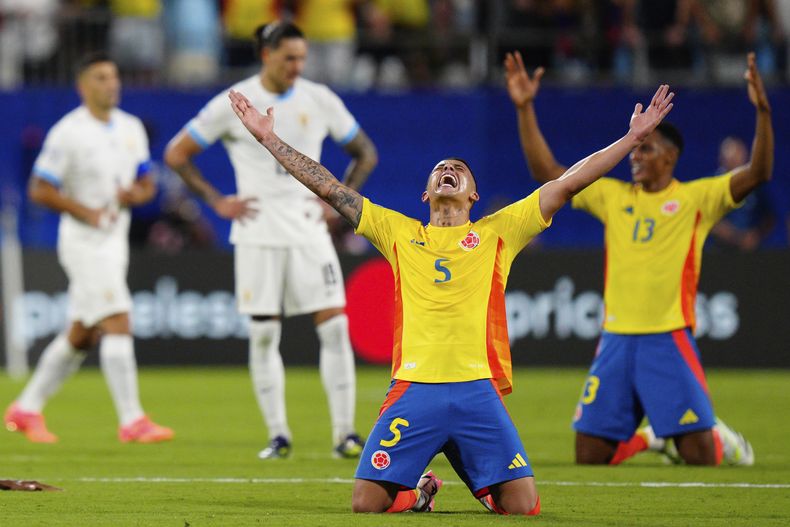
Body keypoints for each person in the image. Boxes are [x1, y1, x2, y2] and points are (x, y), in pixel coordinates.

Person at [227, 79, 674, 512]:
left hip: (476, 390)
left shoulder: (500, 232)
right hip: (413, 389)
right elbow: (328, 186)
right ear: (425, 193)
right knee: (366, 504)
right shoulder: (398, 232)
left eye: (459, 170)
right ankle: (420, 491)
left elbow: (569, 183)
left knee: (522, 507)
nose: (449, 170)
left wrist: (630, 138)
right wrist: (270, 140)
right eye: (441, 169)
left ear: (473, 195)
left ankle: (472, 467)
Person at [505, 50, 773, 466]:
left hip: (668, 336)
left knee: (702, 457)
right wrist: (524, 108)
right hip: (615, 337)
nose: (635, 156)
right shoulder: (613, 197)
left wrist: (763, 113)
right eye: (635, 150)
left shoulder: (697, 198)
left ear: (670, 156)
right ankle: (651, 439)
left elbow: (758, 173)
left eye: (646, 150)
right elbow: (548, 173)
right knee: (590, 455)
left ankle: (722, 439)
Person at [164, 21, 378, 459]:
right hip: (258, 231)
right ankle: (278, 435)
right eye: (289, 58)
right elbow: (176, 153)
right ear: (266, 55)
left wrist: (337, 205)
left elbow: (365, 152)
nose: (297, 66)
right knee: (264, 336)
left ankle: (345, 434)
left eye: (302, 58)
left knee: (336, 328)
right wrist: (216, 201)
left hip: (308, 230)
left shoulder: (319, 98)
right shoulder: (235, 101)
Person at [4, 52, 173, 444]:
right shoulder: (68, 133)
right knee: (118, 319)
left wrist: (137, 193)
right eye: (100, 77)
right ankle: (132, 420)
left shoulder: (132, 128)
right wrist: (85, 211)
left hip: (114, 242)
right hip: (83, 243)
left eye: (114, 76)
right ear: (83, 86)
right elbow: (39, 188)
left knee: (82, 335)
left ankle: (25, 409)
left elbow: (147, 182)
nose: (111, 83)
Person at [709, 136, 776, 251]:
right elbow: (706, 218)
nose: (735, 162)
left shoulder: (756, 184)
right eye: (731, 159)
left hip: (750, 250)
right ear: (722, 159)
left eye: (738, 157)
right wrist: (734, 237)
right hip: (720, 252)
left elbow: (770, 216)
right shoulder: (711, 186)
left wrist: (756, 235)